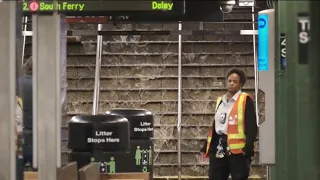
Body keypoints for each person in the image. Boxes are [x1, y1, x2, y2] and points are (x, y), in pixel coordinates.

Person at [200, 68, 258, 180]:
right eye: (229, 80)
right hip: (218, 147)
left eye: (235, 81)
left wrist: (249, 147)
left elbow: (251, 125)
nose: (231, 83)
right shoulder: (220, 100)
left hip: (238, 151)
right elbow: (217, 124)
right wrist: (207, 145)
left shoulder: (245, 99)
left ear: (241, 84)